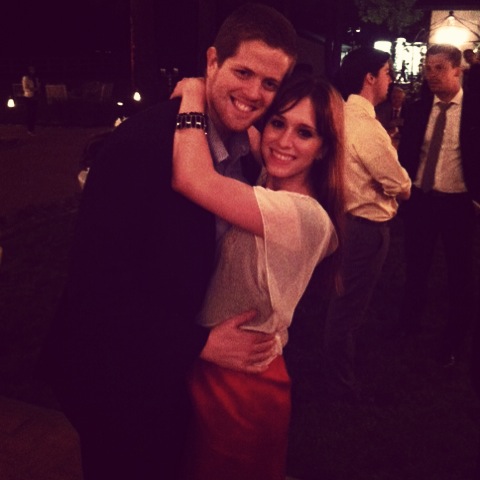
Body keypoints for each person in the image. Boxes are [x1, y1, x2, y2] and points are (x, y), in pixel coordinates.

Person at [38, 4, 297, 480]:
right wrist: (200, 343)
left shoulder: (244, 154)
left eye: (269, 83)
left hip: (175, 380)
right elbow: (96, 290)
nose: (253, 93)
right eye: (243, 72)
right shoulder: (141, 149)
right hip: (117, 380)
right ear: (213, 61)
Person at [170, 72, 345, 479]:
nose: (284, 141)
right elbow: (251, 130)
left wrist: (195, 92)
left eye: (305, 133)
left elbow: (190, 178)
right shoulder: (273, 183)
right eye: (278, 123)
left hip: (241, 384)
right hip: (218, 365)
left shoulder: (300, 215)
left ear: (323, 149)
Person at [323, 47, 411, 403]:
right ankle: (339, 383)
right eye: (387, 72)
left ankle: (335, 371)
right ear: (370, 78)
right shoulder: (366, 127)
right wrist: (397, 175)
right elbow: (401, 185)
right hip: (365, 228)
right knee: (349, 306)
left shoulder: (342, 115)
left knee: (341, 298)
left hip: (345, 219)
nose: (391, 80)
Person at [398, 44, 480, 366]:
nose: (431, 75)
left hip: (458, 203)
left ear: (458, 70)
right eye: (428, 68)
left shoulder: (473, 111)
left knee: (459, 272)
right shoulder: (420, 108)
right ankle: (408, 322)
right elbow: (407, 154)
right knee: (415, 265)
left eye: (439, 68)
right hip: (422, 199)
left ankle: (453, 340)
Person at [21, 65, 40, 135]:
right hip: (28, 96)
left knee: (34, 113)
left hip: (35, 96)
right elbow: (25, 88)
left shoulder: (35, 78)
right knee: (30, 113)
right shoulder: (25, 78)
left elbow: (38, 85)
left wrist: (38, 89)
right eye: (31, 69)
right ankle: (29, 129)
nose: (33, 71)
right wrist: (34, 89)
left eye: (33, 69)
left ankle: (32, 128)